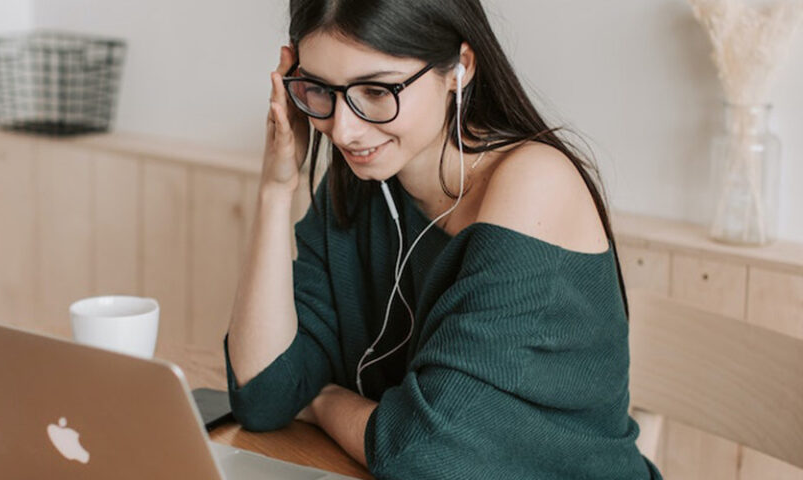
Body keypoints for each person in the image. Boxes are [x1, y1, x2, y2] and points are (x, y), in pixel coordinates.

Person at [224, 1, 662, 478]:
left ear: (459, 67)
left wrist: (323, 396)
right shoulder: (362, 179)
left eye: (376, 90)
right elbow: (264, 395)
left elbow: (420, 453)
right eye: (320, 90)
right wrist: (275, 190)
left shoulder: (535, 182)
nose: (343, 130)